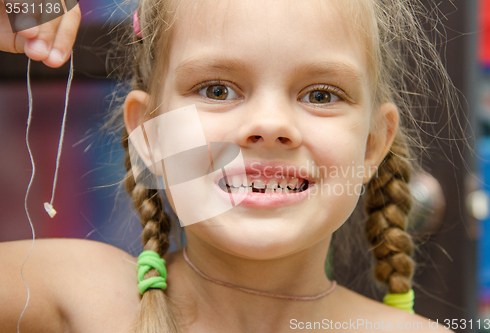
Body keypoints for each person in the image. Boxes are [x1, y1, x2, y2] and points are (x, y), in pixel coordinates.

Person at [0, 0, 457, 332]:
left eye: (321, 95)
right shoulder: (71, 292)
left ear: (372, 146)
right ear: (149, 135)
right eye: (217, 90)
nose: (270, 125)